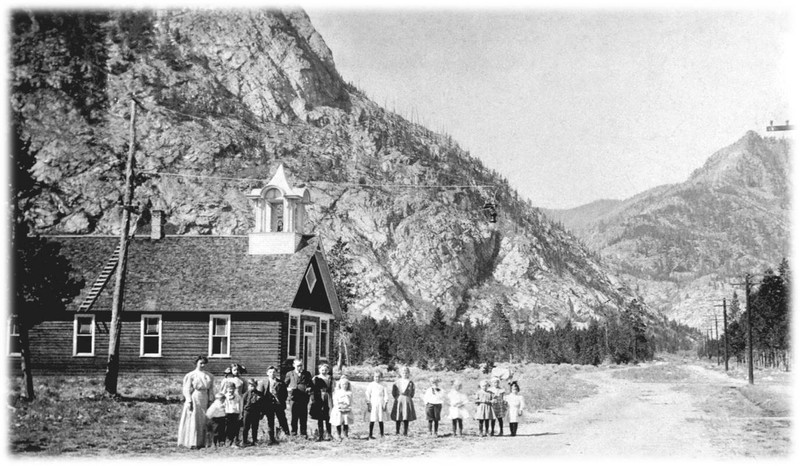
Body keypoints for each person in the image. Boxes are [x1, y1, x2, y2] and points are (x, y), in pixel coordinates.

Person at [177, 356, 215, 449]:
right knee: (194, 418)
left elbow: (211, 389)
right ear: (196, 363)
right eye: (200, 363)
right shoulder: (191, 375)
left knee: (204, 419)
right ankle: (193, 442)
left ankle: (204, 442)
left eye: (204, 363)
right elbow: (186, 389)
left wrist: (211, 400)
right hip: (195, 397)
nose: (202, 365)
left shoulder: (209, 375)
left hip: (205, 397)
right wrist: (189, 400)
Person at [261, 365, 290, 445]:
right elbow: (261, 394)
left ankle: (286, 436)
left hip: (278, 404)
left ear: (276, 373)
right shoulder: (264, 382)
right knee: (270, 421)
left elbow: (285, 394)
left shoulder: (280, 382)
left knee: (282, 419)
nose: (272, 373)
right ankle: (271, 438)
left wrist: (281, 401)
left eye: (274, 372)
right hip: (268, 405)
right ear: (267, 373)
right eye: (270, 372)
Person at [285, 358, 313, 438]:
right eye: (298, 366)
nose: (300, 367)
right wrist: (288, 389)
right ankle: (294, 433)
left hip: (304, 398)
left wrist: (309, 388)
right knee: (294, 416)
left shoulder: (307, 374)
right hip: (294, 398)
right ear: (294, 365)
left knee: (303, 416)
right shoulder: (290, 374)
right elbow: (284, 385)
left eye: (301, 365)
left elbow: (310, 384)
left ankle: (303, 433)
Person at [309, 363, 334, 441]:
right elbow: (312, 389)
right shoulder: (316, 378)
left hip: (328, 396)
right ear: (319, 370)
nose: (324, 371)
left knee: (328, 416)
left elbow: (333, 388)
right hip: (319, 397)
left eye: (326, 370)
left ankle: (329, 434)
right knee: (320, 416)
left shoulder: (330, 378)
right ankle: (320, 434)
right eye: (322, 370)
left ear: (328, 370)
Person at [390, 366, 416, 436]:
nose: (405, 374)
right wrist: (397, 397)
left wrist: (408, 397)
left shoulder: (410, 382)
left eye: (406, 372)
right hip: (399, 399)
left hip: (407, 399)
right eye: (403, 372)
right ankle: (397, 431)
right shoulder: (397, 382)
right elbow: (394, 392)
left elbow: (412, 392)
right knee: (398, 415)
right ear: (401, 373)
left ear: (408, 374)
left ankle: (405, 432)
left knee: (406, 415)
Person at [364, 370, 389, 439]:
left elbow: (386, 395)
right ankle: (370, 434)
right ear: (373, 377)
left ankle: (382, 434)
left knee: (381, 419)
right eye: (375, 377)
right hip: (373, 403)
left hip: (380, 402)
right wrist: (368, 403)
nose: (377, 378)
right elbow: (367, 394)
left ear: (381, 377)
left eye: (378, 377)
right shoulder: (371, 385)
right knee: (372, 418)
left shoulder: (383, 385)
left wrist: (385, 403)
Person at [330, 376, 354, 440]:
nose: (345, 386)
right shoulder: (337, 392)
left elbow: (351, 401)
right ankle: (338, 435)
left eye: (346, 384)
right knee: (338, 422)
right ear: (340, 385)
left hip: (346, 408)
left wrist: (348, 406)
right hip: (339, 408)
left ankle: (346, 435)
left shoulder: (349, 393)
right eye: (343, 384)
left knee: (346, 422)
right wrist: (339, 406)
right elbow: (335, 400)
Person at [241, 379, 263, 446]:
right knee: (246, 427)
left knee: (255, 427)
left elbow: (262, 404)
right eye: (250, 385)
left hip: (256, 412)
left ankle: (254, 440)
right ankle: (244, 441)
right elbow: (242, 404)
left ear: (256, 386)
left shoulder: (259, 394)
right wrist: (242, 413)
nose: (252, 387)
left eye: (253, 385)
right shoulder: (245, 394)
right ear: (248, 386)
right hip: (247, 412)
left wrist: (261, 413)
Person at [222, 381, 243, 447]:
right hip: (227, 414)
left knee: (235, 428)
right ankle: (227, 441)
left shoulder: (238, 397)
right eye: (229, 388)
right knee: (227, 428)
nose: (231, 390)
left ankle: (235, 442)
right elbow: (223, 405)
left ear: (235, 389)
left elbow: (240, 405)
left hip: (235, 414)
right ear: (227, 389)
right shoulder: (224, 397)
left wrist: (240, 413)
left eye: (232, 388)